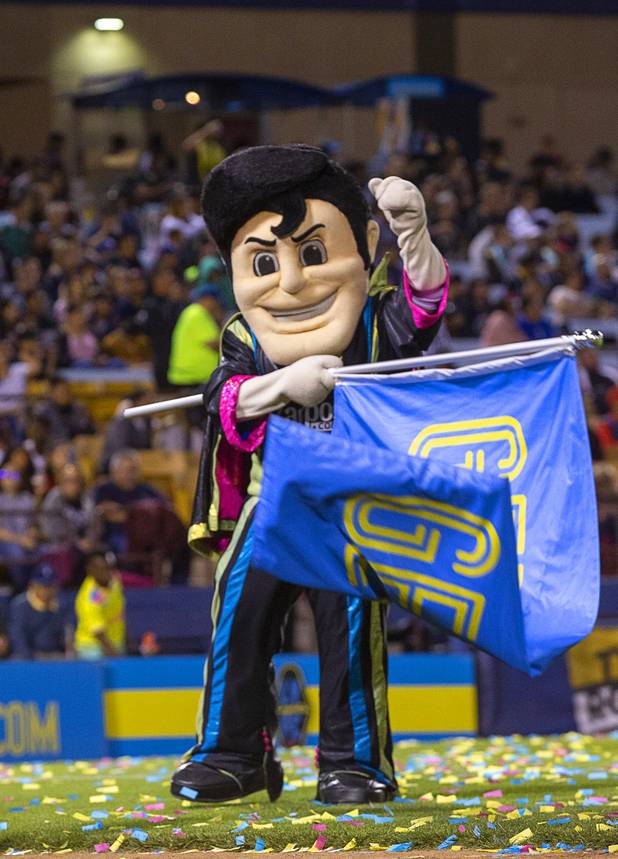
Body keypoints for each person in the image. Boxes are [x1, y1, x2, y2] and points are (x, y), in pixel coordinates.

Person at [172, 145, 447, 805]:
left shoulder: (373, 324)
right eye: (264, 263)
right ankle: (234, 750)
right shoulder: (246, 334)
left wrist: (414, 234)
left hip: (350, 506)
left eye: (313, 253)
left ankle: (352, 761)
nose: (291, 282)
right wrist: (279, 385)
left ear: (365, 245)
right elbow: (225, 397)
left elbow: (426, 309)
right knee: (237, 616)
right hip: (275, 500)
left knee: (349, 629)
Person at [93, 449, 163, 558]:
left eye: (134, 470)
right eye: (127, 470)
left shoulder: (147, 490)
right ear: (114, 472)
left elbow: (163, 507)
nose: (132, 474)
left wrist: (127, 514)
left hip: (147, 534)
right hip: (116, 534)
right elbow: (106, 513)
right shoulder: (103, 490)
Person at [167, 283, 222, 386]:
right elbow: (213, 344)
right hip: (192, 378)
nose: (216, 305)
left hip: (191, 377)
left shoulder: (192, 312)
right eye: (215, 301)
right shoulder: (197, 313)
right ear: (208, 299)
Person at [74, 550, 125, 659]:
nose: (107, 572)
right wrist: (119, 658)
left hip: (115, 640)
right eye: (102, 569)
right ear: (90, 570)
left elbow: (119, 614)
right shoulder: (91, 597)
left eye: (108, 568)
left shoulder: (115, 584)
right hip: (92, 647)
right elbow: (98, 633)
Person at [8, 565, 66, 659]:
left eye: (49, 586)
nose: (45, 591)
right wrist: (30, 659)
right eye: (41, 586)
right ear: (32, 586)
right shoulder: (20, 605)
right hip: (28, 658)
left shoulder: (61, 605)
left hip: (54, 657)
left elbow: (66, 634)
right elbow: (17, 637)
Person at [34, 376, 95, 445]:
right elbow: (39, 437)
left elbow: (89, 430)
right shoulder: (43, 411)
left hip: (73, 447)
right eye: (61, 391)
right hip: (50, 448)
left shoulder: (78, 409)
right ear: (51, 393)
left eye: (67, 391)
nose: (65, 394)